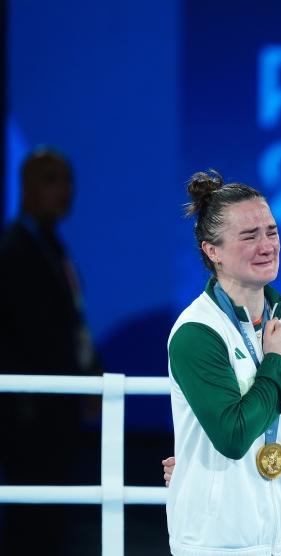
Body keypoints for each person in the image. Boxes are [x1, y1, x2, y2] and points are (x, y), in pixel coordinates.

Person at [166, 171, 281, 556]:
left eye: (271, 231)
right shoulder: (197, 332)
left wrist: (194, 458)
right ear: (212, 251)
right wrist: (276, 362)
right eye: (249, 236)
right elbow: (232, 437)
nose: (267, 246)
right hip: (218, 543)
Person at [0, 148, 102, 554]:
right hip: (28, 410)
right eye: (51, 180)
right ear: (26, 187)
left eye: (68, 180)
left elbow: (72, 321)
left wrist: (91, 371)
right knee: (30, 516)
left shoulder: (52, 246)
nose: (64, 191)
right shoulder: (13, 249)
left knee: (50, 516)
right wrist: (22, 401)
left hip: (57, 406)